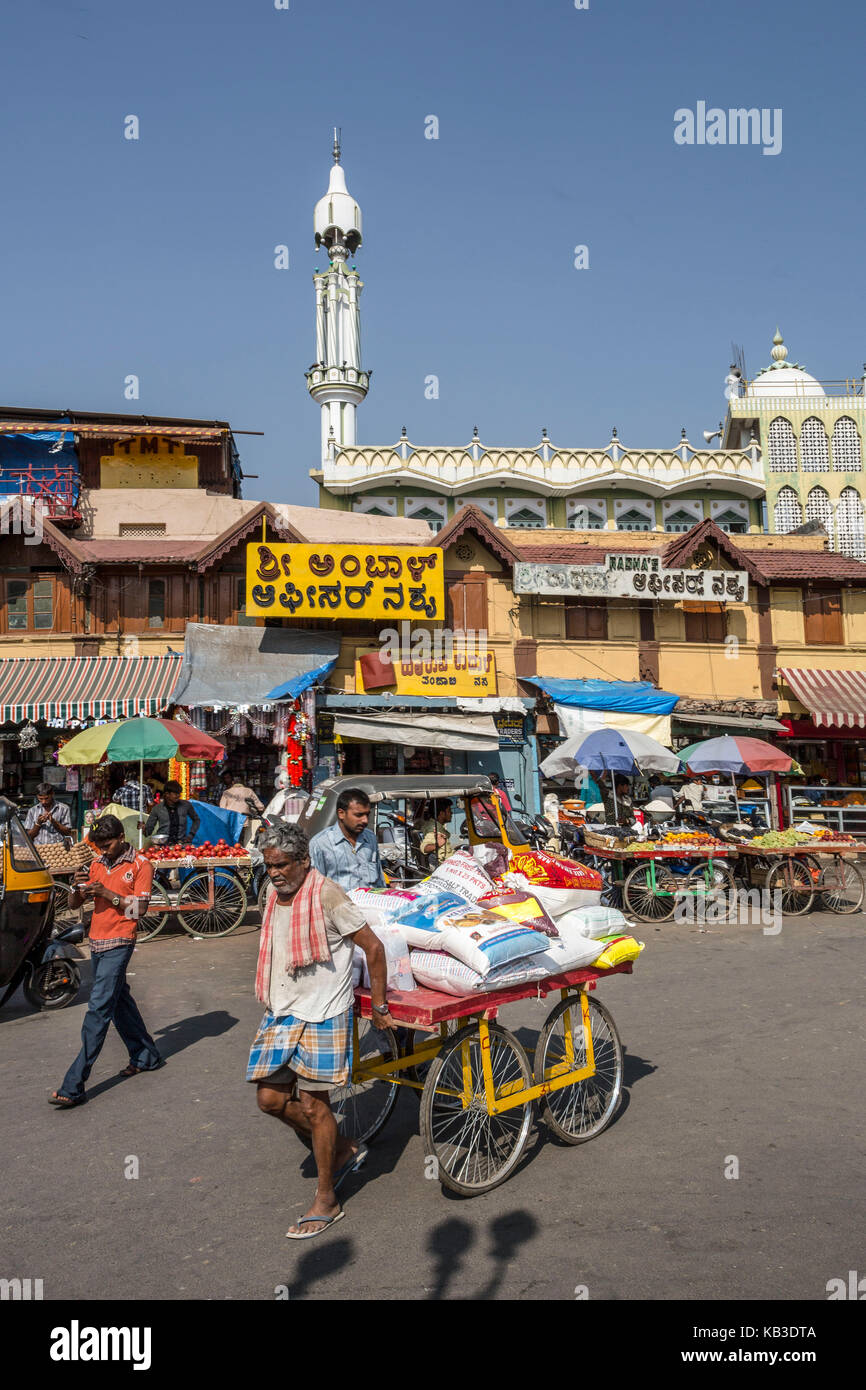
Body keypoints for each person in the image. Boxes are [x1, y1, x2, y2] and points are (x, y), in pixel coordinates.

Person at [250, 822, 394, 1239]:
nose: (274, 873)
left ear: (303, 861)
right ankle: (344, 1147)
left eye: (281, 865)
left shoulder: (328, 893)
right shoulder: (273, 894)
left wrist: (380, 1005)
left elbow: (374, 948)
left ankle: (327, 1198)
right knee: (270, 1100)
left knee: (316, 1107)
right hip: (283, 1010)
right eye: (269, 865)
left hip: (325, 1010)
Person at [48, 815, 163, 1108]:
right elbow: (75, 903)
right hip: (96, 942)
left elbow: (140, 909)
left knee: (99, 1008)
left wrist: (108, 894)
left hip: (121, 941)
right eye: (98, 846)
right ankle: (146, 1055)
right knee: (118, 1000)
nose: (103, 851)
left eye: (107, 845)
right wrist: (77, 887)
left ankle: (74, 1084)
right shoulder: (96, 864)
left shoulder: (140, 865)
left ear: (122, 837)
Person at [308, 788, 384, 891]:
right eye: (359, 815)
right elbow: (314, 888)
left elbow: (379, 881)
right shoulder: (320, 843)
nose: (365, 820)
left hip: (370, 903)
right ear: (341, 813)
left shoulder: (370, 838)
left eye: (367, 814)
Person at [143, 780, 200, 845]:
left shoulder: (186, 805)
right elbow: (148, 832)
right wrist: (144, 829)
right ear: (167, 794)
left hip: (182, 845)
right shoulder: (157, 809)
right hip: (162, 845)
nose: (178, 795)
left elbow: (196, 820)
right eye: (175, 794)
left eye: (179, 793)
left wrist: (191, 835)